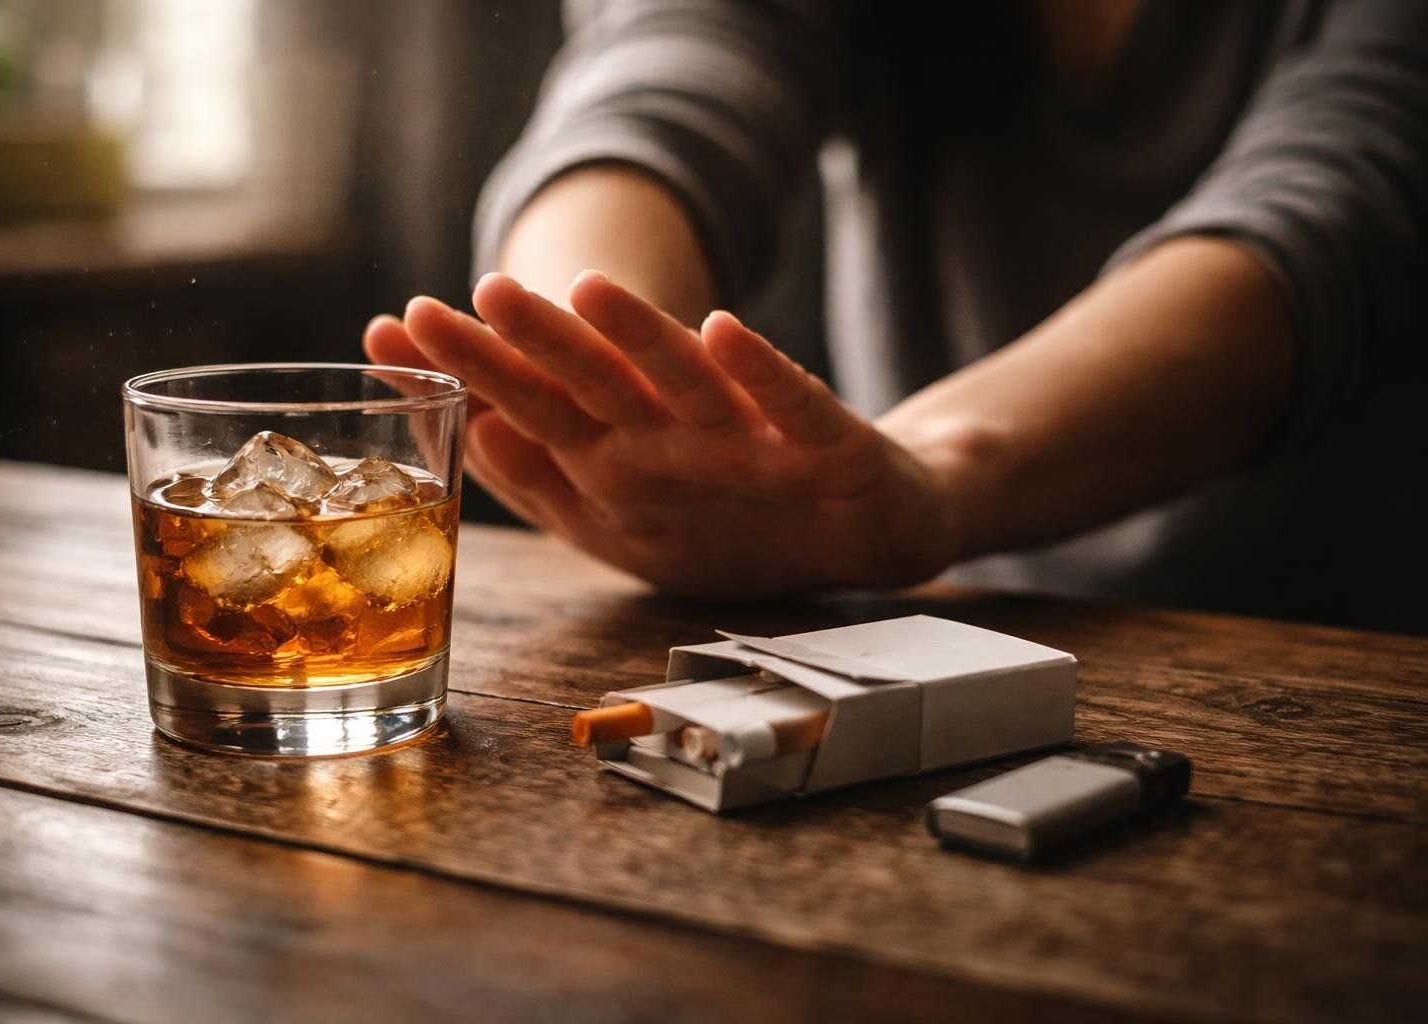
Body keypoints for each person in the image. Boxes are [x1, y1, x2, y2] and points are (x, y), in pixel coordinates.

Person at [363, 0, 1428, 630]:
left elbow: (1343, 205)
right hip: (912, 624)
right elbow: (662, 77)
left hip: (1352, 667)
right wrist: (600, 380)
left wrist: (931, 471)